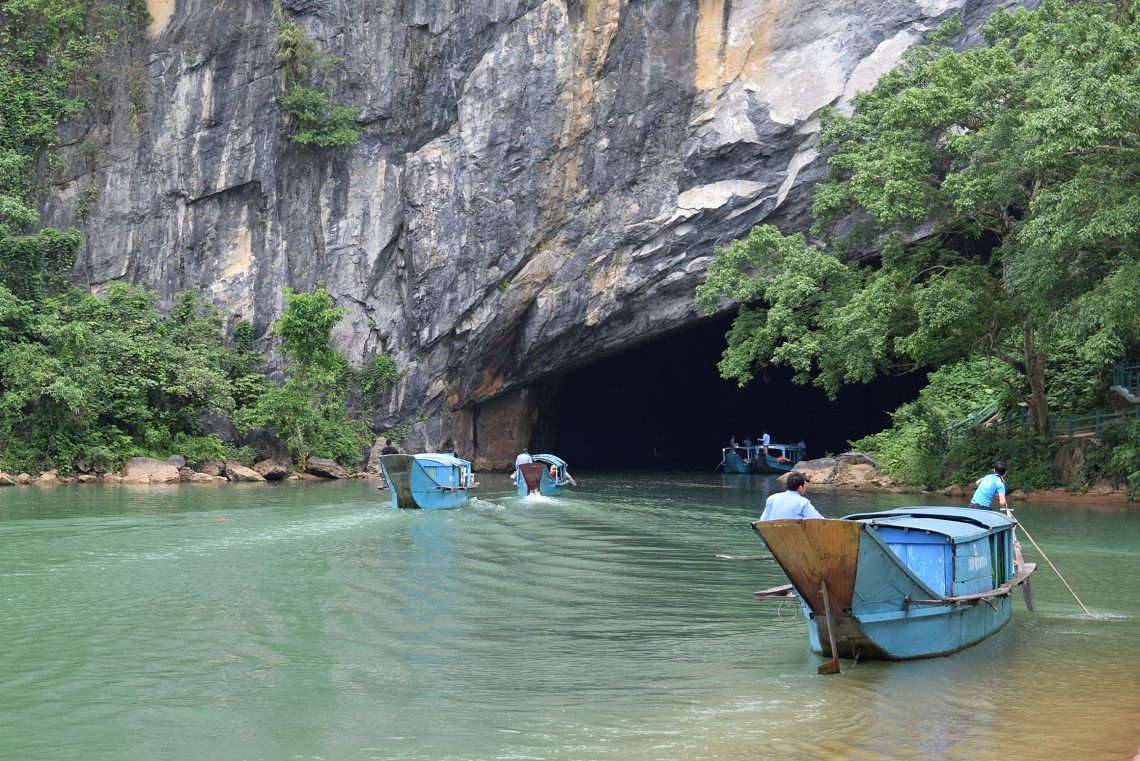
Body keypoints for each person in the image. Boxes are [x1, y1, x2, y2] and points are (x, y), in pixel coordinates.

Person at [760, 472, 824, 521]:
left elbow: (762, 521)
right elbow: (820, 521)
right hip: (793, 536)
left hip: (773, 535)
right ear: (800, 487)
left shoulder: (772, 498)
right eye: (805, 484)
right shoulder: (802, 502)